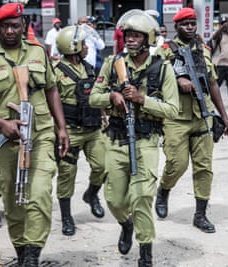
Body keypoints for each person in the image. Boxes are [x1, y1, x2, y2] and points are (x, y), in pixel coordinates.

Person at [0, 3, 69, 266]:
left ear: (23, 26)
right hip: (5, 141)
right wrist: (2, 123)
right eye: (5, 26)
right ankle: (22, 252)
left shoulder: (38, 53)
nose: (10, 31)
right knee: (13, 201)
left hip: (41, 134)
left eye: (15, 26)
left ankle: (33, 255)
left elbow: (51, 89)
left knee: (40, 194)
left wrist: (61, 128)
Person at [89, 10, 179, 266]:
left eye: (136, 35)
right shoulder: (112, 63)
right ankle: (125, 224)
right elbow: (94, 97)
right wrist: (112, 97)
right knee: (115, 199)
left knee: (141, 197)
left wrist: (142, 100)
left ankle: (145, 254)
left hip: (146, 139)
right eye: (128, 35)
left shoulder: (163, 69)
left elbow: (173, 110)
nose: (130, 40)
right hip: (117, 138)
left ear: (148, 38)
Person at [154, 7, 228, 234]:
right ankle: (164, 190)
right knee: (177, 164)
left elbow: (213, 83)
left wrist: (224, 115)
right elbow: (153, 83)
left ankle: (200, 214)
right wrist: (176, 79)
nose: (189, 27)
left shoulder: (204, 50)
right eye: (185, 24)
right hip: (176, 117)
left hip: (203, 114)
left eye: (192, 23)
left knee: (204, 167)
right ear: (176, 26)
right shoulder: (164, 51)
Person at [53, 25, 106, 236]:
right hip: (69, 131)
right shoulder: (56, 72)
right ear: (73, 46)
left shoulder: (89, 67)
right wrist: (57, 129)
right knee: (66, 174)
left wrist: (103, 114)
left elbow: (94, 94)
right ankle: (66, 216)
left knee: (103, 166)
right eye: (83, 44)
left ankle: (91, 194)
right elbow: (50, 101)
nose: (86, 47)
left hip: (93, 128)